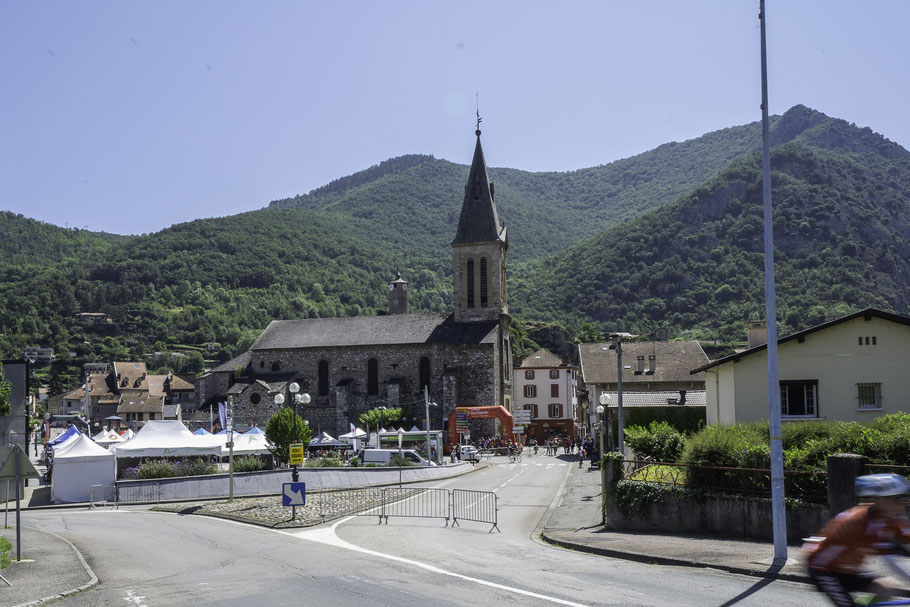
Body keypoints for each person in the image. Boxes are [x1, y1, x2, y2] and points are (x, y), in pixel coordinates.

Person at [804, 473, 910, 607]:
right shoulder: (862, 524)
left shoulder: (892, 518)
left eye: (905, 498)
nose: (903, 505)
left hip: (848, 570)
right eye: (897, 499)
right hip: (824, 571)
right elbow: (893, 562)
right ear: (881, 500)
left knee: (885, 588)